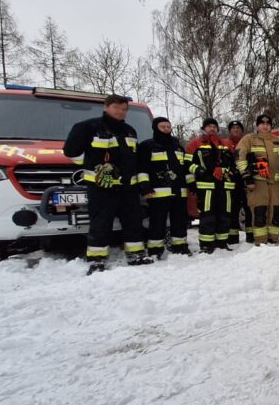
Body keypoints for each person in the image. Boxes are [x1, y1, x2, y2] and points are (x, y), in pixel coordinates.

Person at [64, 94, 151, 273]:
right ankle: (97, 259)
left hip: (128, 187)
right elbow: (70, 151)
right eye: (116, 108)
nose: (120, 112)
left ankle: (135, 254)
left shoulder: (129, 130)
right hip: (101, 186)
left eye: (124, 109)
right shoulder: (88, 127)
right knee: (101, 222)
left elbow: (133, 158)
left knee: (133, 222)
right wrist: (94, 168)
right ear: (106, 107)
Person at [136, 116, 191, 258]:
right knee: (157, 222)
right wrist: (145, 188)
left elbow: (185, 168)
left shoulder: (178, 146)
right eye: (163, 127)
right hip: (158, 192)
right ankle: (155, 250)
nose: (166, 129)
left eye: (168, 127)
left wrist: (191, 184)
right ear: (155, 128)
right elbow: (142, 169)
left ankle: (180, 246)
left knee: (180, 221)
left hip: (179, 191)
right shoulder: (147, 146)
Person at [187, 117, 237, 252]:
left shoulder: (225, 144)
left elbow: (233, 165)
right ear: (204, 129)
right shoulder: (195, 144)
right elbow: (187, 165)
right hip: (206, 186)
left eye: (214, 126)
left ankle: (222, 242)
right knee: (208, 216)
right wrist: (200, 173)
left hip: (225, 187)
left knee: (224, 215)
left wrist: (223, 169)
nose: (212, 128)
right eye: (209, 126)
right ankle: (206, 244)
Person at [236, 114, 279, 245]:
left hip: (276, 184)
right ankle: (260, 241)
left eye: (268, 124)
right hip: (258, 183)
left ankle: (274, 239)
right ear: (257, 126)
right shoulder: (249, 139)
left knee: (276, 212)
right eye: (262, 124)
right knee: (259, 211)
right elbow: (239, 158)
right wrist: (247, 177)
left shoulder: (278, 141)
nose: (265, 126)